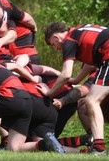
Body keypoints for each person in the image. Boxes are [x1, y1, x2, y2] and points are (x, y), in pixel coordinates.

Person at [37, 22, 109, 155]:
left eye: (53, 44)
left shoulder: (69, 40)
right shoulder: (81, 29)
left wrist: (49, 92)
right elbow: (90, 61)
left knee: (91, 101)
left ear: (56, 37)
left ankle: (99, 148)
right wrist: (76, 80)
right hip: (106, 55)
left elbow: (66, 74)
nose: (57, 48)